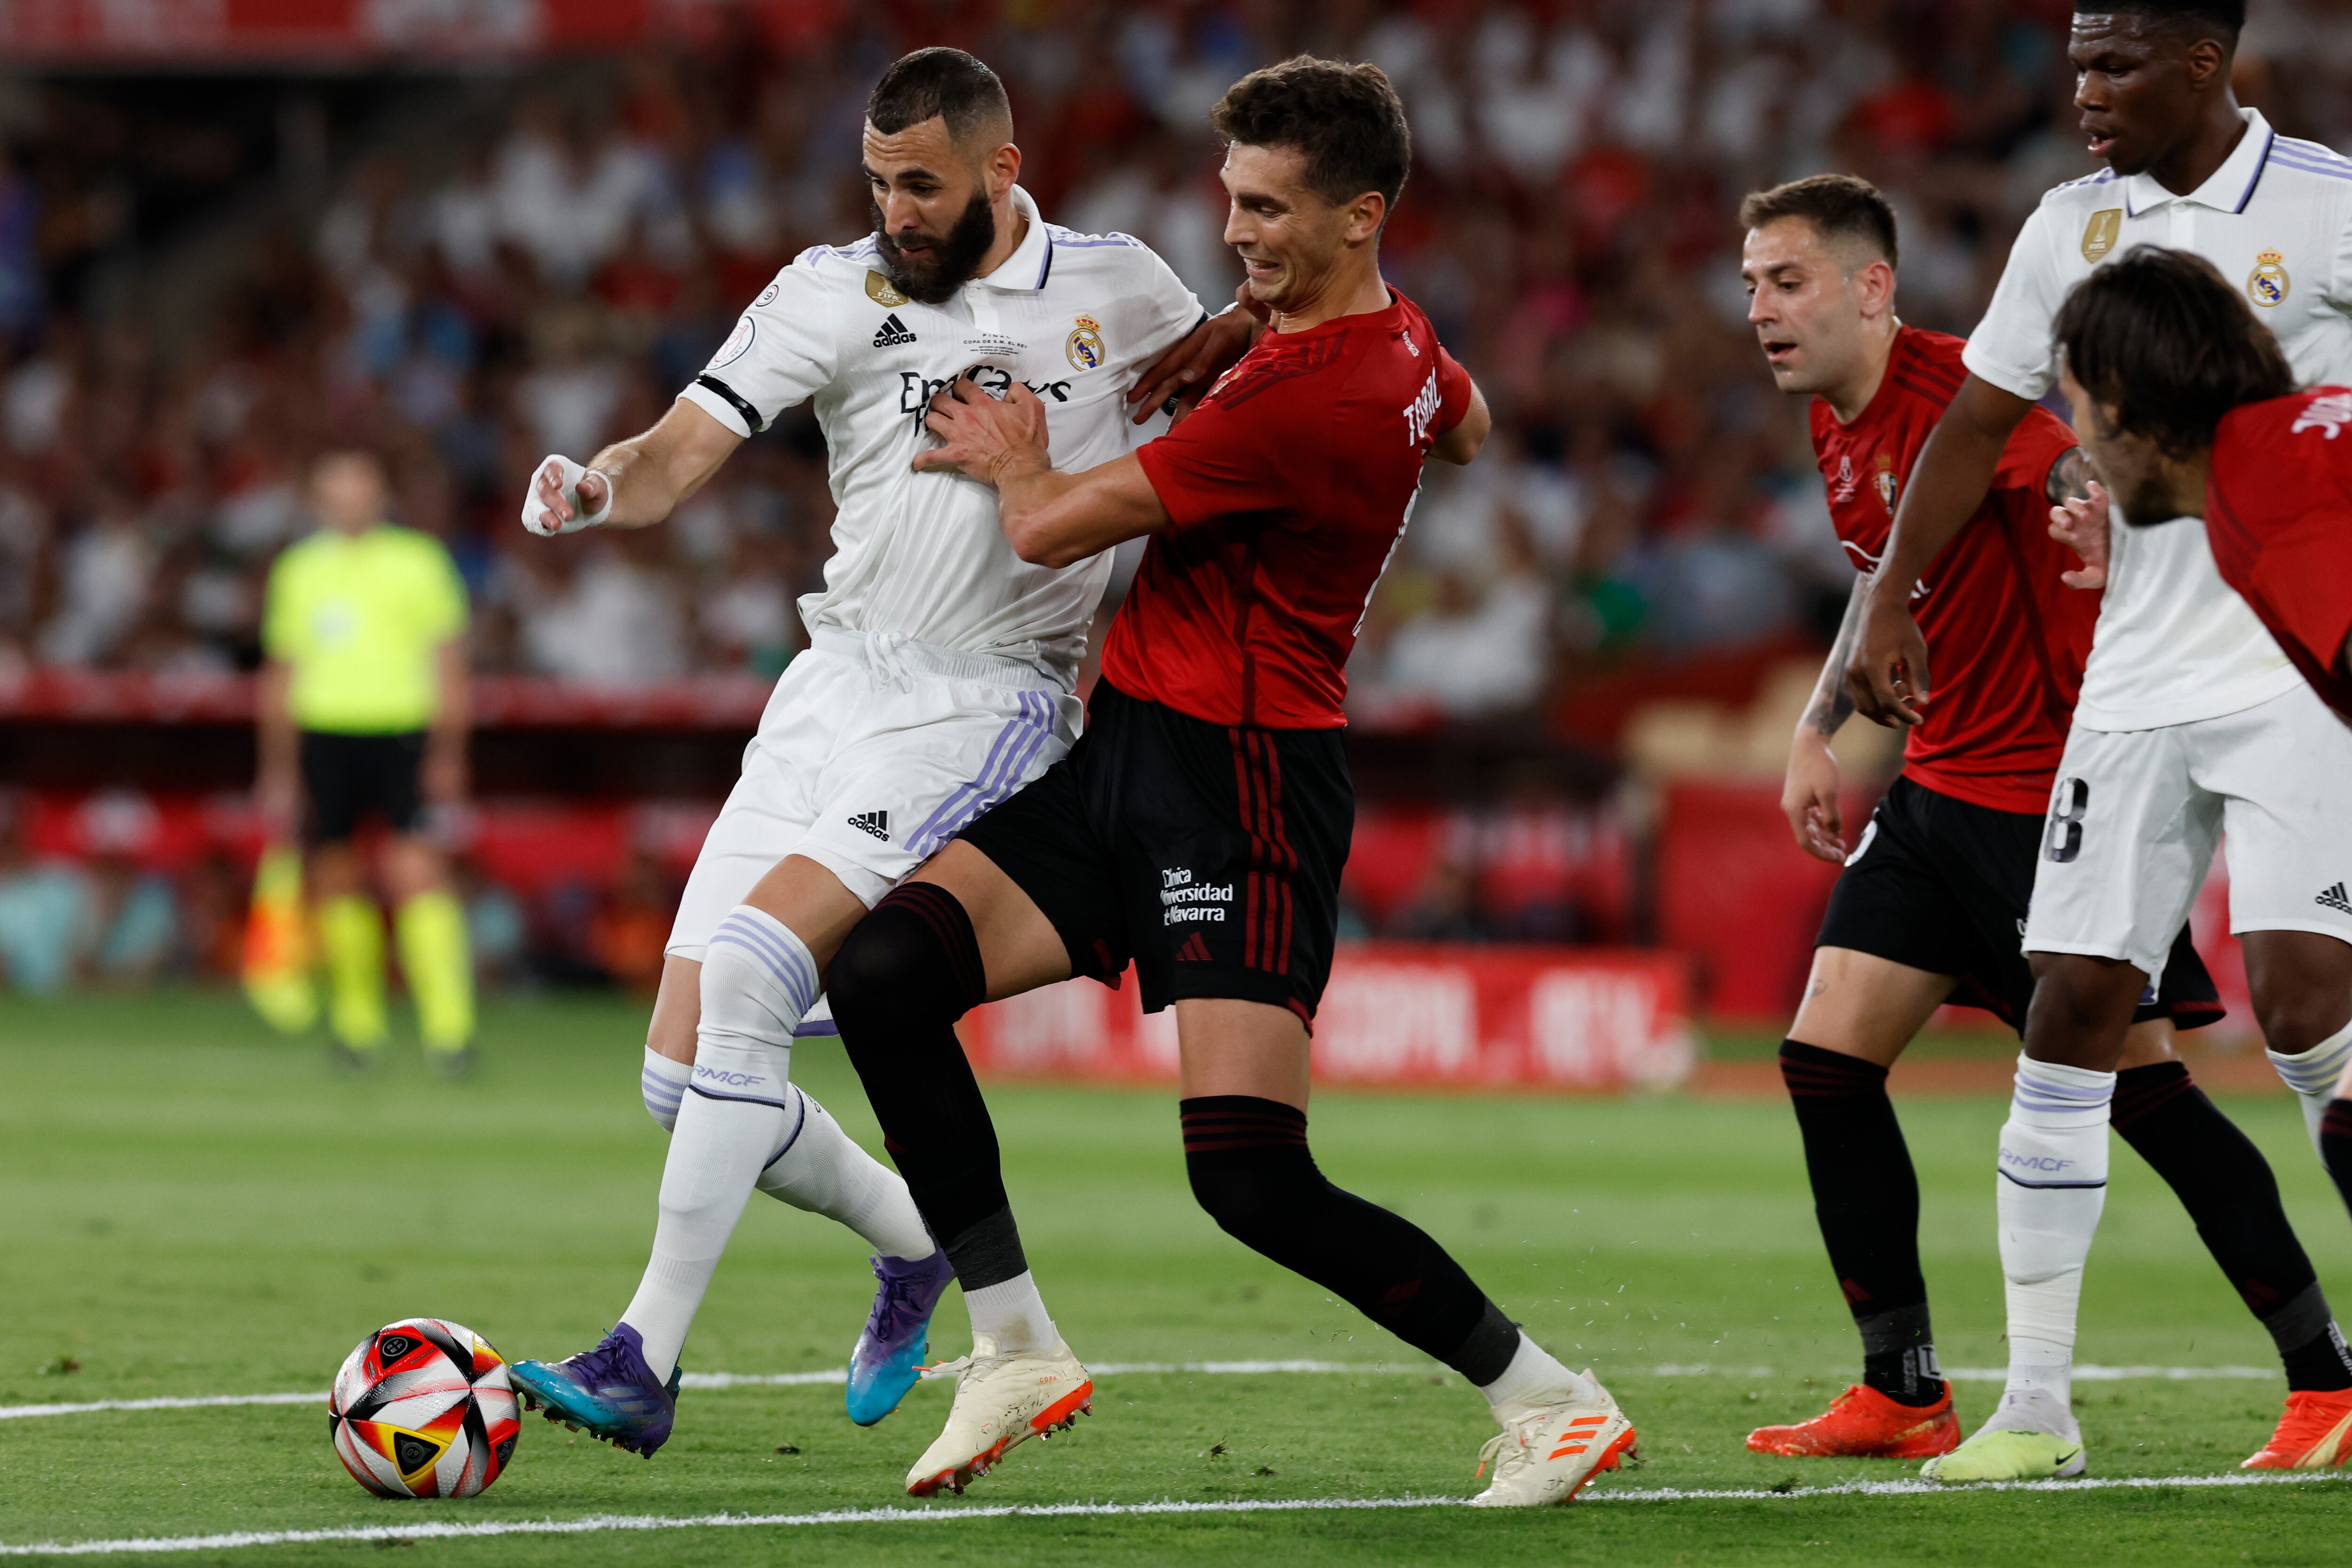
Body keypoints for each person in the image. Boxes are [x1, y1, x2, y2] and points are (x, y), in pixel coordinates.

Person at [826, 57, 1629, 1511]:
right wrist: (1249, 317)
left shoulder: (1309, 402)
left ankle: (1550, 1399)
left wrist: (1013, 451)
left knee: (1250, 1175)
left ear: (1360, 216)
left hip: (1243, 784)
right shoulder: (1385, 336)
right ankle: (1010, 1340)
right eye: (1232, 199)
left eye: (1267, 210)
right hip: (1131, 746)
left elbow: (1056, 528)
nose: (1237, 229)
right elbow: (1467, 420)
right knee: (883, 973)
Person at [503, 48, 1250, 1457]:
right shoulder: (826, 290)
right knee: (678, 1074)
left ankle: (640, 1356)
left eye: (922, 184)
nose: (896, 211)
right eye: (878, 183)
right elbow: (678, 448)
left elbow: (1239, 399)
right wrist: (598, 486)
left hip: (988, 696)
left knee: (751, 973)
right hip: (830, 686)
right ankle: (915, 1238)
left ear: (1001, 169)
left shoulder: (1122, 287)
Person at [1732, 175, 2330, 1467]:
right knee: (1825, 1060)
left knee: (2145, 1097)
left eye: (1788, 282)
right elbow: (1880, 583)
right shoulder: (1843, 428)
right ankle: (1902, 1385)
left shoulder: (1965, 401)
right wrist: (1818, 729)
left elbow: (2091, 466)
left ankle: (2325, 1378)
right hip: (1940, 791)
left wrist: (2108, 530)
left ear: (1870, 288)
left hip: (2047, 801)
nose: (1761, 311)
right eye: (1750, 286)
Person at [2050, 243, 2352, 1254]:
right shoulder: (2273, 465)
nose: (2077, 439)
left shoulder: (2268, 504)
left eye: (2076, 406)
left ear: (2127, 402)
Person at [256, 451, 475, 1073]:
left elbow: (450, 664)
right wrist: (277, 764)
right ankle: (359, 1026)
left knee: (415, 872)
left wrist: (448, 750)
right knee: (334, 874)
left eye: (359, 490)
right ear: (319, 501)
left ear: (380, 496)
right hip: (324, 732)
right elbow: (280, 671)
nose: (348, 502)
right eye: (336, 492)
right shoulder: (299, 569)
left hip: (400, 730)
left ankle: (449, 1029)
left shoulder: (419, 561)